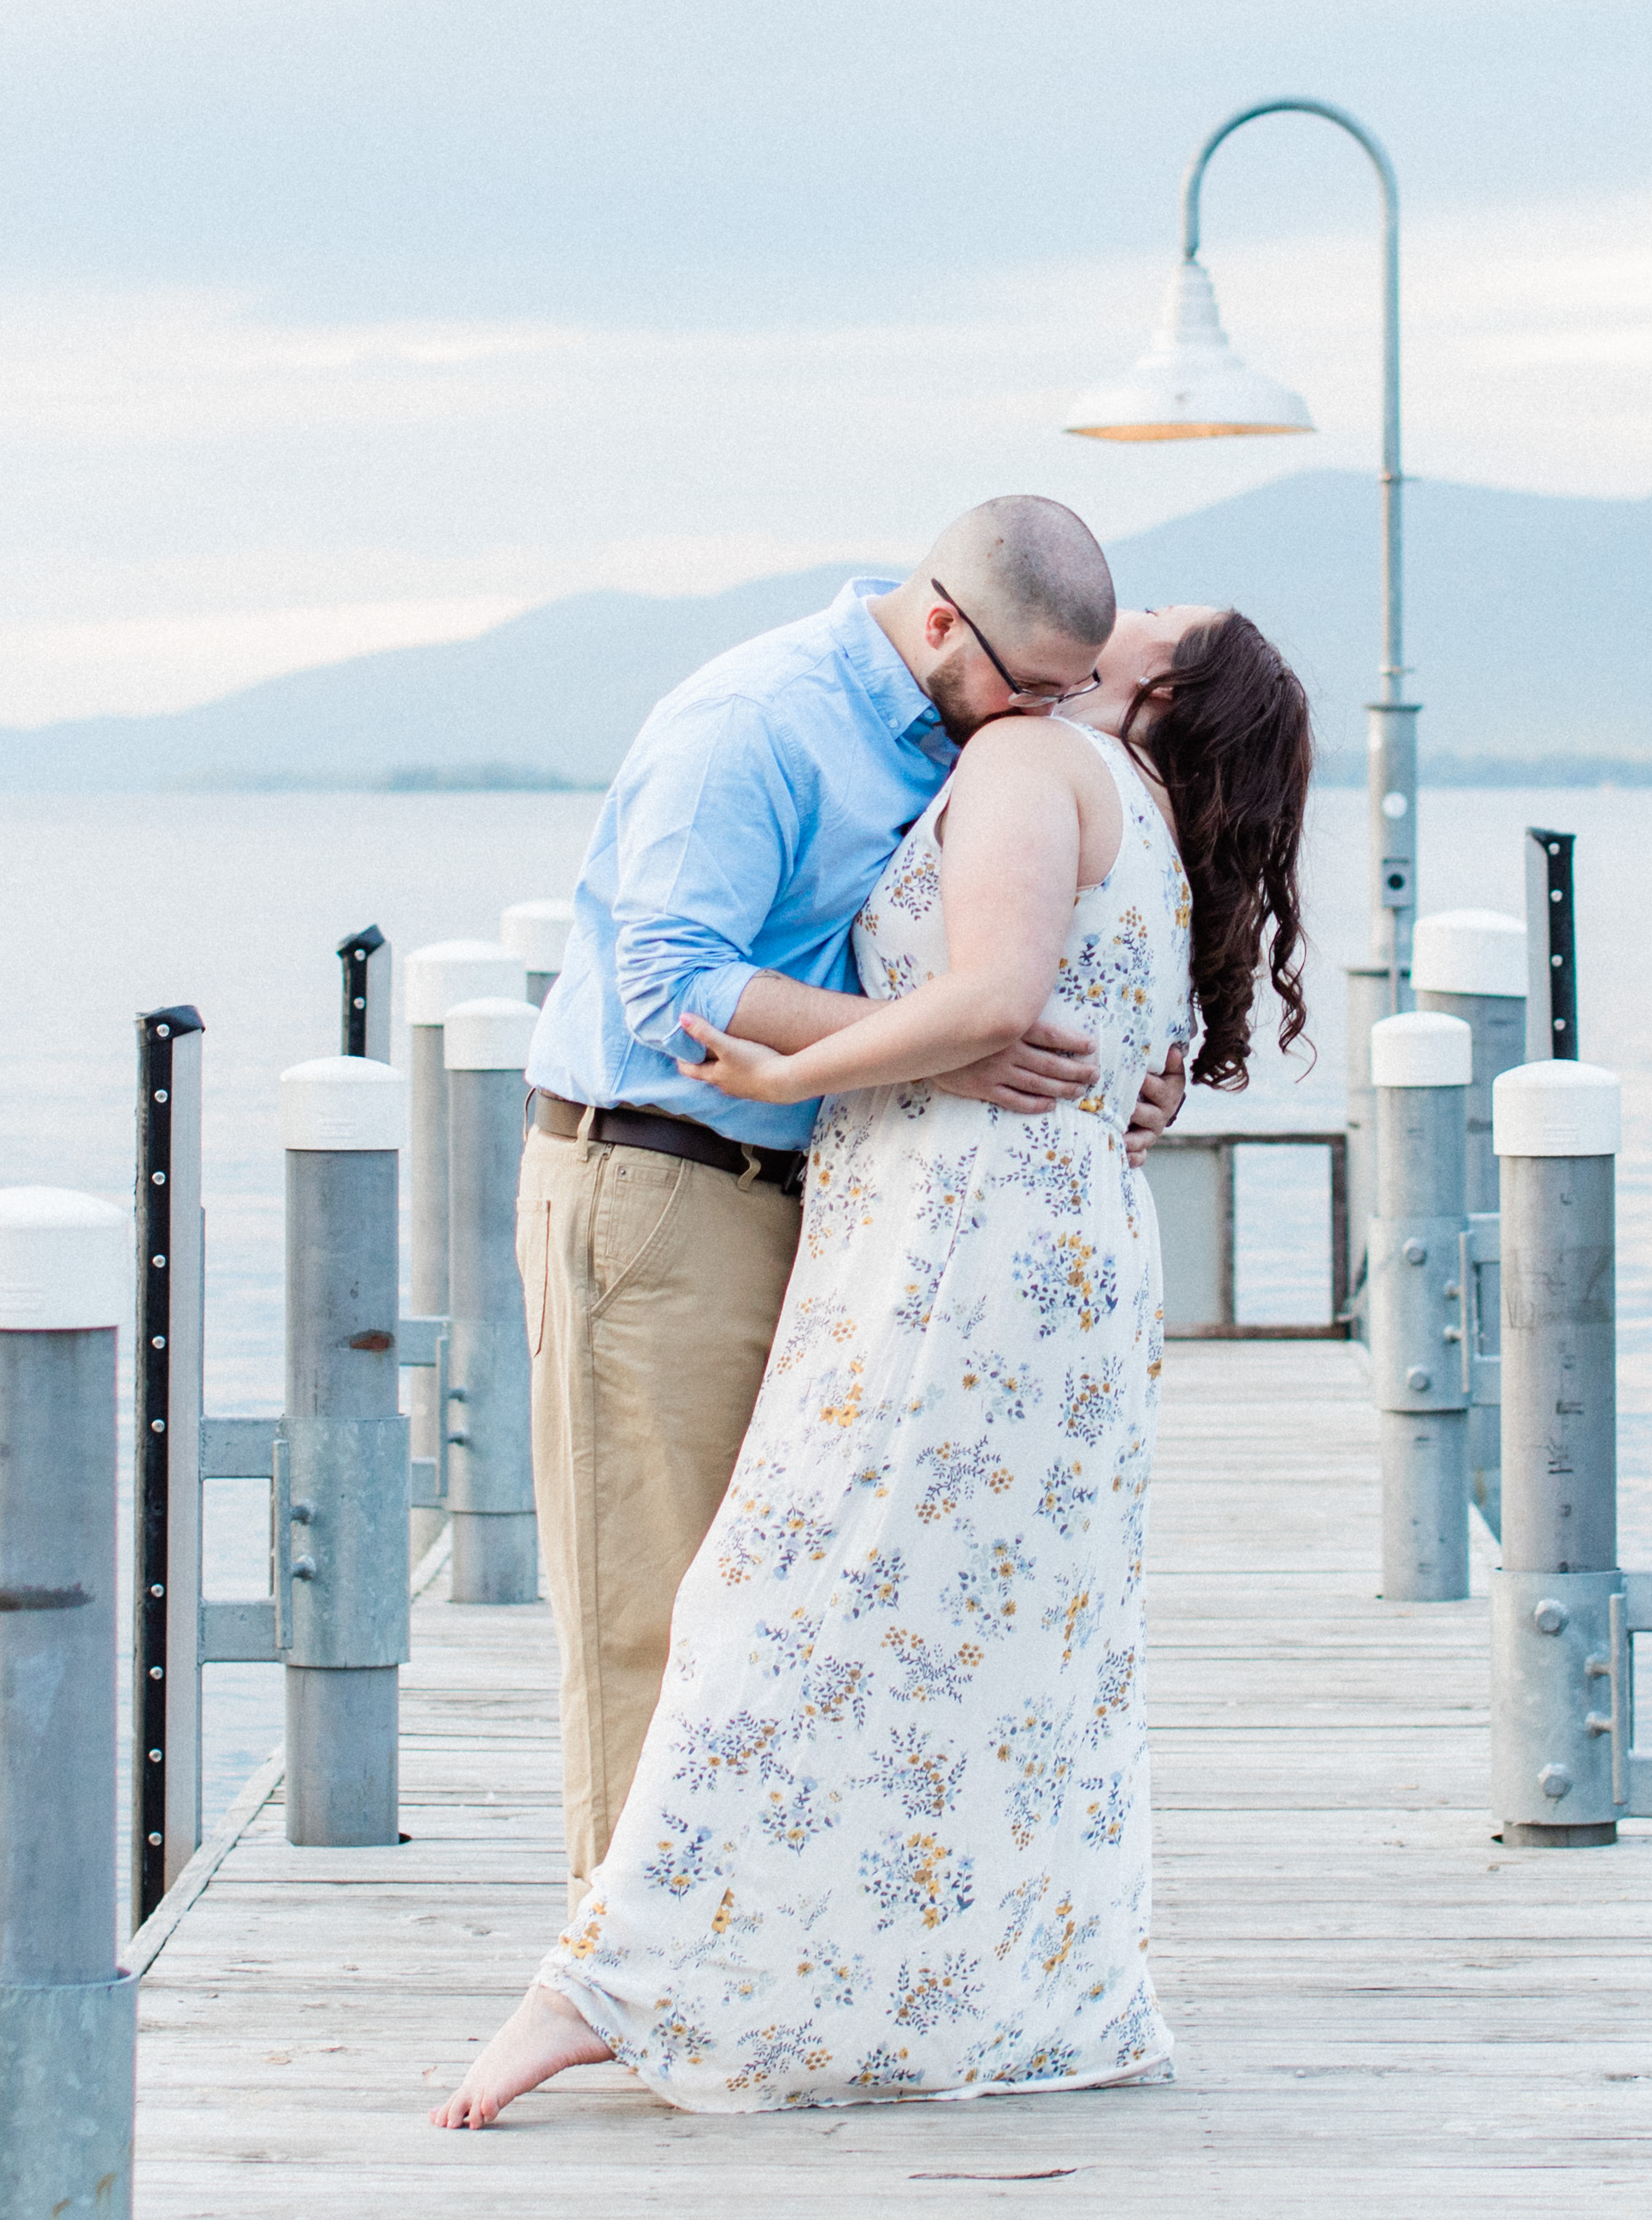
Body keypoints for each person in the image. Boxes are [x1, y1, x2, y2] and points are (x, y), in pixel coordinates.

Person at [433, 600, 1314, 2126]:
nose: (1123, 606)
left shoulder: (1036, 755)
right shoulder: (1138, 822)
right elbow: (1071, 1024)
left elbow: (979, 1011)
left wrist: (796, 1064)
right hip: (1027, 1254)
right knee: (987, 1650)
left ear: (1156, 682)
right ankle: (894, 1968)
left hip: (949, 1249)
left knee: (773, 1597)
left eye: (1154, 614)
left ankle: (624, 1981)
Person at [517, 498, 1188, 1887]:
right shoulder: (753, 721)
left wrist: (1137, 1063)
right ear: (940, 616)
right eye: (1030, 687)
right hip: (662, 1180)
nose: (1046, 720)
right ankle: (623, 1980)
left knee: (787, 1600)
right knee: (657, 1607)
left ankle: (750, 1946)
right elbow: (673, 989)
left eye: (1074, 694)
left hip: (826, 1201)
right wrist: (952, 1041)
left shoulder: (967, 733)